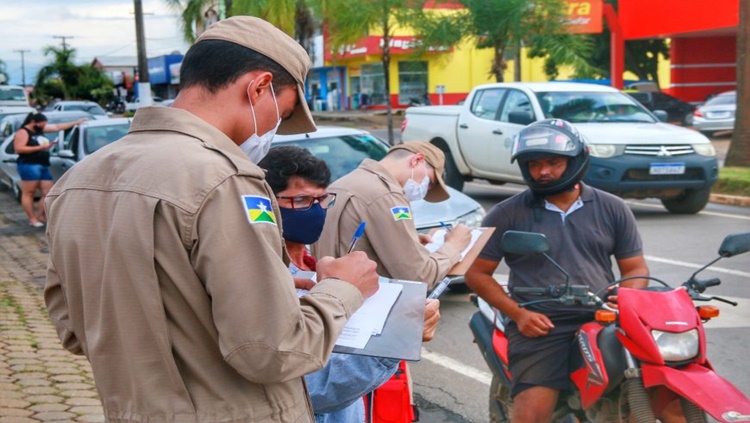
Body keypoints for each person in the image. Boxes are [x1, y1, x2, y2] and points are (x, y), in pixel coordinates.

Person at [44, 16, 380, 423]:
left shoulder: (77, 180)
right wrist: (343, 289)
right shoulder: (223, 178)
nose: (275, 129)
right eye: (282, 113)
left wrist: (220, 292)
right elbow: (271, 351)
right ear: (258, 87)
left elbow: (75, 327)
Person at [465, 119, 651, 423]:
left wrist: (628, 295)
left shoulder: (612, 207)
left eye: (554, 162)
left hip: (602, 315)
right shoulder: (507, 213)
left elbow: (635, 267)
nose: (544, 171)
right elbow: (477, 274)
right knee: (531, 413)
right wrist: (520, 314)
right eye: (534, 164)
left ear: (576, 160)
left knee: (660, 383)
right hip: (542, 323)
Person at [259, 146, 442, 422]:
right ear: (265, 203)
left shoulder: (314, 265)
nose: (316, 210)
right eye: (300, 201)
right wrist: (400, 334)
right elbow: (314, 387)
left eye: (322, 200)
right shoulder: (261, 279)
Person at [314, 141, 473, 287]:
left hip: (329, 294)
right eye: (430, 182)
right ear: (417, 160)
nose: (425, 190)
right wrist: (453, 246)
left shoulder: (340, 185)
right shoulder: (386, 195)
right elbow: (419, 276)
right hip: (362, 303)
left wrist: (404, 241)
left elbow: (344, 240)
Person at [13, 112, 85, 227]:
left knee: (48, 192)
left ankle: (41, 215)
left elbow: (57, 127)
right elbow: (19, 148)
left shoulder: (39, 129)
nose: (44, 126)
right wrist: (41, 147)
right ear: (34, 122)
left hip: (43, 164)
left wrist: (76, 122)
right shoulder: (23, 132)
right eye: (42, 124)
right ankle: (32, 219)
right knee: (29, 193)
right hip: (29, 164)